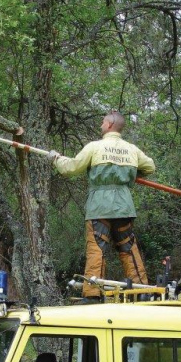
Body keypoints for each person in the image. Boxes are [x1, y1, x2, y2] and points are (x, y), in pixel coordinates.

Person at [49, 110, 156, 302]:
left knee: (97, 247)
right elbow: (150, 167)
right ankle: (143, 292)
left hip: (99, 206)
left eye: (102, 122)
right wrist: (129, 175)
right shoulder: (132, 149)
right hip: (124, 206)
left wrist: (56, 158)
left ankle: (92, 294)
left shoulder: (95, 147)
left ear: (108, 125)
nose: (100, 125)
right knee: (129, 248)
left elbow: (70, 168)